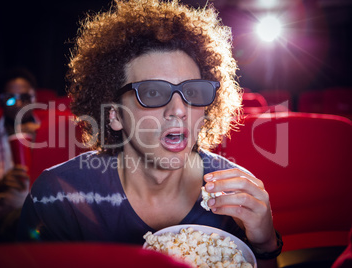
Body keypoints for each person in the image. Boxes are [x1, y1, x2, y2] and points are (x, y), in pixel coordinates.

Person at [17, 0, 281, 266]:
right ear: (115, 115)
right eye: (153, 93)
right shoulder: (58, 197)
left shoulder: (236, 194)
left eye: (192, 92)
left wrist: (265, 244)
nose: (179, 109)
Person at [0, 67, 40, 242]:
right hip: (0, 221)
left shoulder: (50, 133)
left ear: (35, 100)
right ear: (1, 101)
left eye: (25, 98)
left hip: (45, 214)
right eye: (10, 99)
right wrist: (0, 184)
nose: (19, 104)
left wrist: (45, 138)